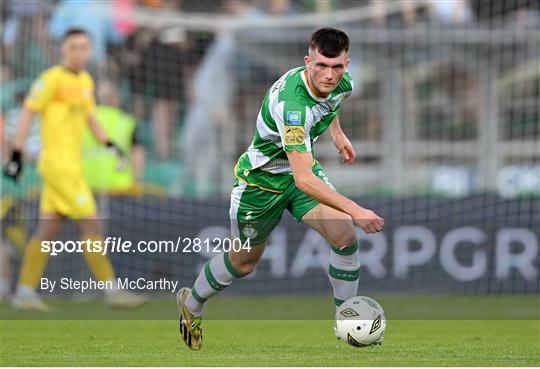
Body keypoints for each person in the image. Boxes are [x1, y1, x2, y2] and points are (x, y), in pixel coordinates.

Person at [176, 27, 385, 350]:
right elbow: (304, 179)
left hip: (298, 171)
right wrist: (356, 210)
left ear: (346, 64)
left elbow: (330, 103)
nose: (329, 75)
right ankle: (192, 305)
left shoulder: (344, 83)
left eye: (337, 67)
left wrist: (337, 134)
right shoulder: (292, 107)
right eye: (321, 66)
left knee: (344, 235)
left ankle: (348, 320)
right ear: (307, 61)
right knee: (244, 262)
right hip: (260, 183)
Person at [3, 28, 147, 311]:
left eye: (83, 47)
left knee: (48, 228)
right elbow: (28, 113)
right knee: (91, 222)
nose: (79, 52)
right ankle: (112, 289)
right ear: (63, 50)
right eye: (73, 47)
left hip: (73, 167)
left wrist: (112, 147)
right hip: (58, 167)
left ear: (89, 51)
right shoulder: (51, 80)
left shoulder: (84, 81)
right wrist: (17, 154)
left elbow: (90, 118)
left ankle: (24, 291)